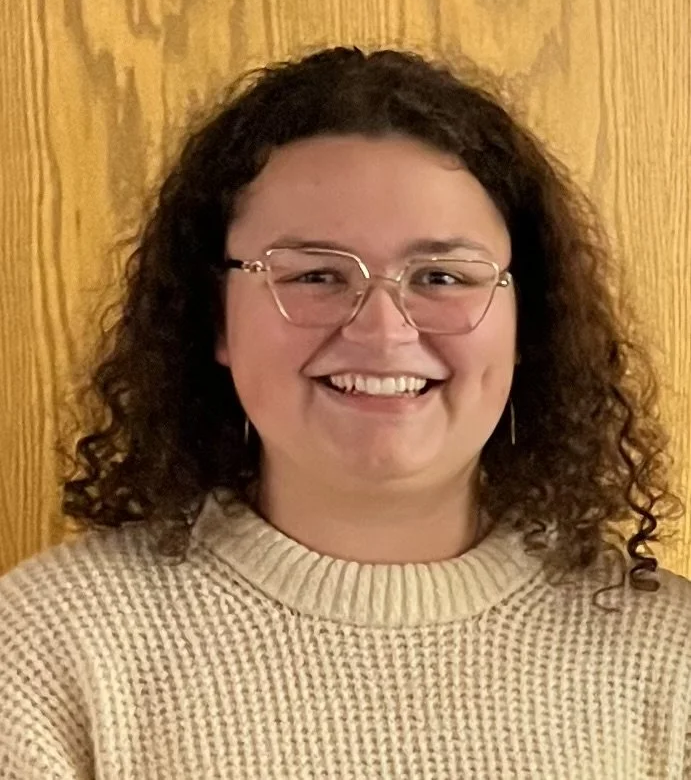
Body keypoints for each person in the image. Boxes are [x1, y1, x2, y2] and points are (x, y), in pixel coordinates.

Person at [0, 45, 689, 779]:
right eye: (316, 274)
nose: (382, 330)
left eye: (441, 276)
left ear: (532, 323)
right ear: (215, 319)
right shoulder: (47, 651)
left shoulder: (669, 663)